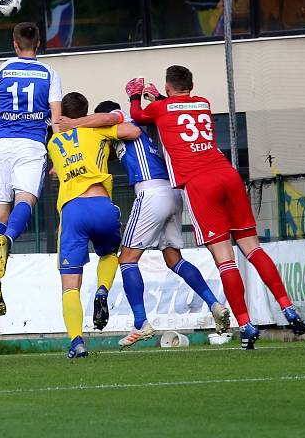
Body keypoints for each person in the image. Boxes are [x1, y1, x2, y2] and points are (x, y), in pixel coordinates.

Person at [129, 66, 305, 349]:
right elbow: (177, 109)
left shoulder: (160, 109)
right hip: (228, 175)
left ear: (168, 86)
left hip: (201, 184)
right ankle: (288, 307)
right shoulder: (204, 103)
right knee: (253, 248)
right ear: (192, 84)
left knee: (225, 259)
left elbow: (140, 116)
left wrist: (136, 95)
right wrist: (159, 97)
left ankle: (246, 324)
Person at [59, 100, 231, 348]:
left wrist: (76, 123)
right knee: (174, 259)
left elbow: (118, 125)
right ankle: (214, 304)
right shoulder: (125, 131)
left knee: (126, 259)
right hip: (170, 192)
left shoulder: (123, 120)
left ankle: (140, 322)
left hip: (150, 191)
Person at [0, 22, 62, 316]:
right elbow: (56, 120)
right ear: (39, 43)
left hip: (3, 145)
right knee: (26, 202)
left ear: (15, 44)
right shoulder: (49, 73)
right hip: (31, 145)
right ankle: (8, 239)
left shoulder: (4, 69)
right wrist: (57, 157)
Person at [48, 92, 141, 358]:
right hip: (102, 204)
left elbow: (61, 165)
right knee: (110, 253)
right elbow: (132, 132)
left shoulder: (54, 143)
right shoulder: (97, 132)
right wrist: (97, 125)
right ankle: (102, 289)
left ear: (62, 113)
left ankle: (76, 341)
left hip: (73, 209)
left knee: (69, 285)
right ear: (87, 112)